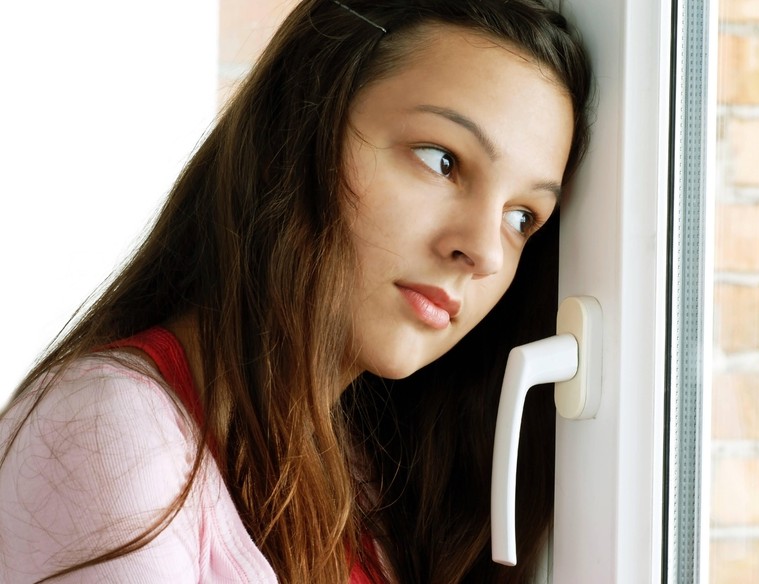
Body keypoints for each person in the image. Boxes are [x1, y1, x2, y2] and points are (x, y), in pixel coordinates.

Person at [0, 0, 593, 582]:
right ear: (301, 121)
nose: (485, 252)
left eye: (523, 218)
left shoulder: (364, 480)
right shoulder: (117, 435)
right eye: (441, 161)